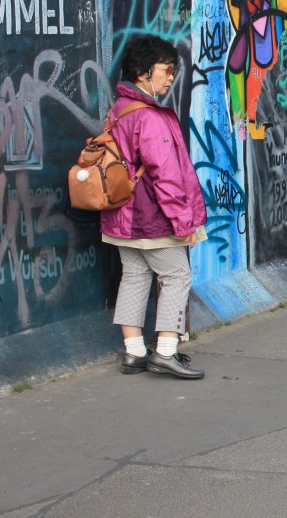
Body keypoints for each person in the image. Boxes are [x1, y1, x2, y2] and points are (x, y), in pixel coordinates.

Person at [102, 35, 207, 379]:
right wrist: (185, 222)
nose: (171, 77)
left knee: (134, 276)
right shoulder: (149, 117)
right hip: (151, 218)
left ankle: (134, 353)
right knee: (177, 275)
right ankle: (165, 351)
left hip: (120, 216)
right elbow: (166, 175)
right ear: (143, 71)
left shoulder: (118, 110)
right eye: (166, 69)